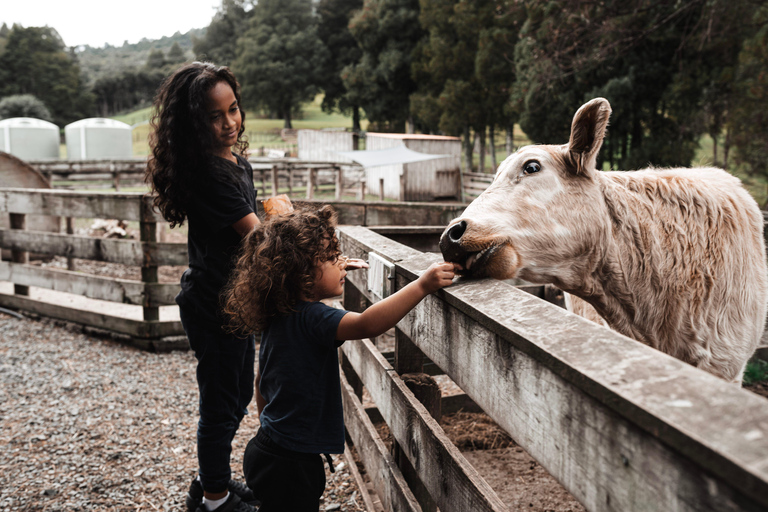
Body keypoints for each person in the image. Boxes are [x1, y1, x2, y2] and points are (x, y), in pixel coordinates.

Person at [222, 205, 460, 512]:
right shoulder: (315, 318)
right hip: (293, 464)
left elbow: (261, 382)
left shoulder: (280, 311)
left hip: (266, 447)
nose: (342, 264)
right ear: (303, 273)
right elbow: (367, 324)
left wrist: (333, 269)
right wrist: (421, 285)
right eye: (334, 259)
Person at [145, 61, 261, 512]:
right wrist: (313, 254)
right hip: (213, 304)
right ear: (194, 124)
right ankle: (213, 500)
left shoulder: (234, 162)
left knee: (237, 397)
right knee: (220, 404)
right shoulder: (210, 175)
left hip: (236, 300)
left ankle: (212, 480)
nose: (229, 122)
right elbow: (258, 235)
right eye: (215, 116)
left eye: (233, 109)